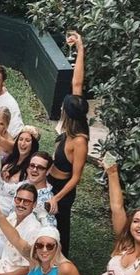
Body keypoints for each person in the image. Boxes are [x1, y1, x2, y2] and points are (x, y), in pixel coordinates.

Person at [47, 31, 88, 255]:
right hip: (50, 179)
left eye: (64, 107)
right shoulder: (70, 120)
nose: (61, 107)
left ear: (68, 112)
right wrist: (80, 48)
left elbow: (76, 178)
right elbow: (78, 81)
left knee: (59, 230)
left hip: (63, 189)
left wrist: (57, 196)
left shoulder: (79, 140)